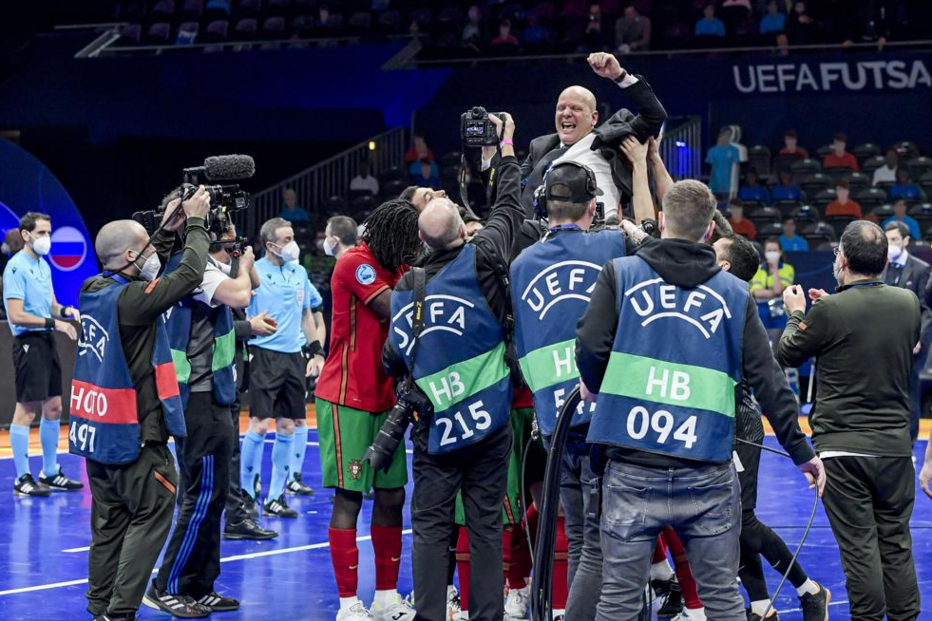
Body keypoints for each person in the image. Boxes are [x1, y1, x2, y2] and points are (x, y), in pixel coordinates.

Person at [576, 178, 824, 621]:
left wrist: (595, 383)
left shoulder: (620, 273)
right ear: (711, 231)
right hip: (706, 468)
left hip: (632, 462)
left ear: (664, 222)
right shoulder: (734, 294)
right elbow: (769, 381)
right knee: (722, 599)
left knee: (617, 599)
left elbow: (590, 348)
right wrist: (801, 451)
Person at [383, 113, 524, 621]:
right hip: (489, 424)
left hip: (435, 430)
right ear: (464, 231)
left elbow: (390, 359)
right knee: (485, 526)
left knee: (431, 528)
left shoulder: (407, 288)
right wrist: (505, 145)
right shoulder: (484, 255)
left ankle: (429, 616)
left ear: (423, 241)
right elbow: (510, 204)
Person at [71, 188, 210, 620]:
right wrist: (196, 223)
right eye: (146, 248)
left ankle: (99, 609)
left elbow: (140, 269)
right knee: (151, 516)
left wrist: (164, 233)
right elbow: (187, 276)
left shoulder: (95, 289)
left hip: (100, 437)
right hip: (136, 438)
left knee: (108, 526)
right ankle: (120, 612)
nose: (153, 253)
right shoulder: (133, 302)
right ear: (132, 254)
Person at [777, 221, 921, 621]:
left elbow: (788, 352)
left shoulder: (829, 310)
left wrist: (797, 314)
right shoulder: (908, 302)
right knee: (895, 543)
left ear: (841, 259)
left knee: (859, 547)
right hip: (894, 447)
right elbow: (874, 329)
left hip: (842, 449)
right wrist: (830, 309)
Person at [145, 196, 261, 616]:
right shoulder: (196, 271)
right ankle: (168, 584)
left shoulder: (188, 266)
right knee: (201, 495)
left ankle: (200, 583)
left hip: (212, 394)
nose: (233, 240)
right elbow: (241, 294)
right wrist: (244, 261)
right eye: (226, 233)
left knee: (211, 498)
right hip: (198, 395)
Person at [706, 232, 831, 621]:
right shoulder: (715, 297)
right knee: (731, 519)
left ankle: (809, 589)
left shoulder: (734, 304)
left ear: (724, 266)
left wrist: (799, 447)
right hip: (718, 423)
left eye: (711, 252)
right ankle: (761, 606)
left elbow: (772, 383)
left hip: (741, 425)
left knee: (741, 519)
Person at [316, 200, 422, 621]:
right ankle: (347, 604)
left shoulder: (397, 267)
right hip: (347, 397)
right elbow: (394, 307)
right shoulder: (354, 263)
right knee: (349, 497)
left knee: (393, 497)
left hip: (386, 399)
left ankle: (385, 597)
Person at [487, 52, 665, 220]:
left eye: (576, 108)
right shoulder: (541, 148)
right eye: (561, 108)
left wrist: (619, 75)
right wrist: (490, 156)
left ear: (594, 118)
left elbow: (654, 114)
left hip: (598, 238)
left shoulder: (611, 140)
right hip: (537, 239)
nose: (566, 113)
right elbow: (507, 192)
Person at [240, 217, 327, 519]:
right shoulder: (254, 273)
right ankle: (247, 494)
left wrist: (316, 353)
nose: (293, 244)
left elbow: (307, 316)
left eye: (292, 237)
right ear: (269, 244)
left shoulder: (299, 272)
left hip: (294, 357)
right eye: (286, 238)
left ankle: (275, 497)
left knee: (288, 426)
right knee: (261, 424)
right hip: (264, 354)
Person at [3, 212, 82, 496]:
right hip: (27, 342)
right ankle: (22, 478)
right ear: (26, 235)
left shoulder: (43, 266)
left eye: (49, 233)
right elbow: (16, 314)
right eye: (41, 233)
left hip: (46, 341)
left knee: (54, 408)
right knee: (26, 410)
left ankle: (49, 472)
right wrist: (55, 323)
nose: (46, 239)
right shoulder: (15, 268)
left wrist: (66, 312)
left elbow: (50, 305)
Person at [213, 231, 279, 542]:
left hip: (228, 374)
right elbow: (214, 327)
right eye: (227, 231)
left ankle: (234, 514)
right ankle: (230, 515)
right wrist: (248, 327)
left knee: (231, 452)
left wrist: (241, 255)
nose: (234, 234)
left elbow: (253, 284)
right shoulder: (204, 272)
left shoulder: (225, 268)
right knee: (221, 453)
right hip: (210, 379)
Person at [882, 221, 932, 443]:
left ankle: (909, 442)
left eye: (894, 239)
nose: (890, 244)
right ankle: (888, 438)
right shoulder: (881, 267)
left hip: (912, 344)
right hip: (886, 342)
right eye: (887, 240)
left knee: (909, 390)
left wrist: (919, 338)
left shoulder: (920, 268)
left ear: (905, 241)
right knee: (886, 391)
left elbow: (926, 309)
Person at [751, 238, 795, 331]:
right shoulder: (757, 269)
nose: (772, 253)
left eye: (774, 250)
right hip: (761, 309)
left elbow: (778, 289)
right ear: (765, 252)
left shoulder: (787, 268)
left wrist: (775, 268)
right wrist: (776, 294)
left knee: (780, 338)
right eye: (769, 250)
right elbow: (757, 293)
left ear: (780, 252)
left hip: (779, 308)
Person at [706, 128, 741, 198]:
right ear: (721, 135)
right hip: (714, 186)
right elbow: (708, 168)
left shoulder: (734, 150)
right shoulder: (712, 151)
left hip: (729, 187)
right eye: (726, 134)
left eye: (730, 135)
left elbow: (736, 169)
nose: (728, 137)